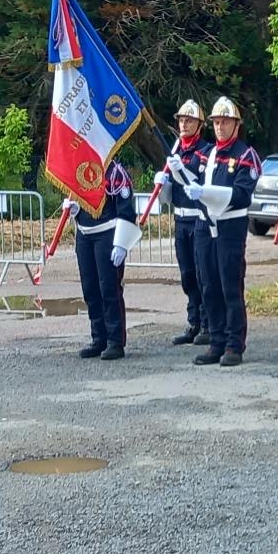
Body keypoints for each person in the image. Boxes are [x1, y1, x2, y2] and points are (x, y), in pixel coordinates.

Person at [184, 96, 259, 366]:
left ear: (236, 125)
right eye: (216, 122)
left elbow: (240, 194)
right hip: (206, 224)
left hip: (230, 225)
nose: (220, 127)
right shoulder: (207, 153)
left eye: (225, 122)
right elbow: (192, 183)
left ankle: (233, 344)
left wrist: (206, 192)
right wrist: (178, 173)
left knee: (230, 286)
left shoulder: (246, 155)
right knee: (209, 285)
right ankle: (216, 341)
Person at [67, 160, 138, 360]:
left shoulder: (115, 172)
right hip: (84, 234)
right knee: (90, 289)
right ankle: (98, 338)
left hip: (108, 233)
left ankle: (115, 341)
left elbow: (126, 210)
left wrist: (122, 243)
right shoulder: (81, 167)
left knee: (109, 289)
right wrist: (75, 210)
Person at [155, 101, 211, 347]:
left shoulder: (206, 152)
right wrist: (163, 184)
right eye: (181, 120)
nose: (184, 124)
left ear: (199, 124)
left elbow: (200, 185)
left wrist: (181, 172)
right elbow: (168, 196)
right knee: (187, 274)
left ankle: (208, 324)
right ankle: (193, 321)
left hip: (199, 218)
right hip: (180, 218)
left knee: (202, 273)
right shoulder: (175, 152)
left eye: (189, 120)